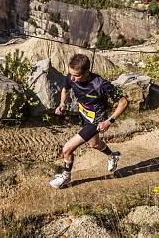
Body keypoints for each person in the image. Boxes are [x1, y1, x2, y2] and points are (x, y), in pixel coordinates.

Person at [49, 53, 129, 189]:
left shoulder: (101, 85)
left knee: (67, 149)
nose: (72, 78)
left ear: (87, 72)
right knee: (95, 144)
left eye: (77, 76)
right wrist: (62, 104)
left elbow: (123, 102)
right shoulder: (71, 76)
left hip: (96, 121)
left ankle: (66, 176)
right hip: (84, 115)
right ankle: (113, 156)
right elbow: (65, 89)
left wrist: (109, 121)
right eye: (71, 74)